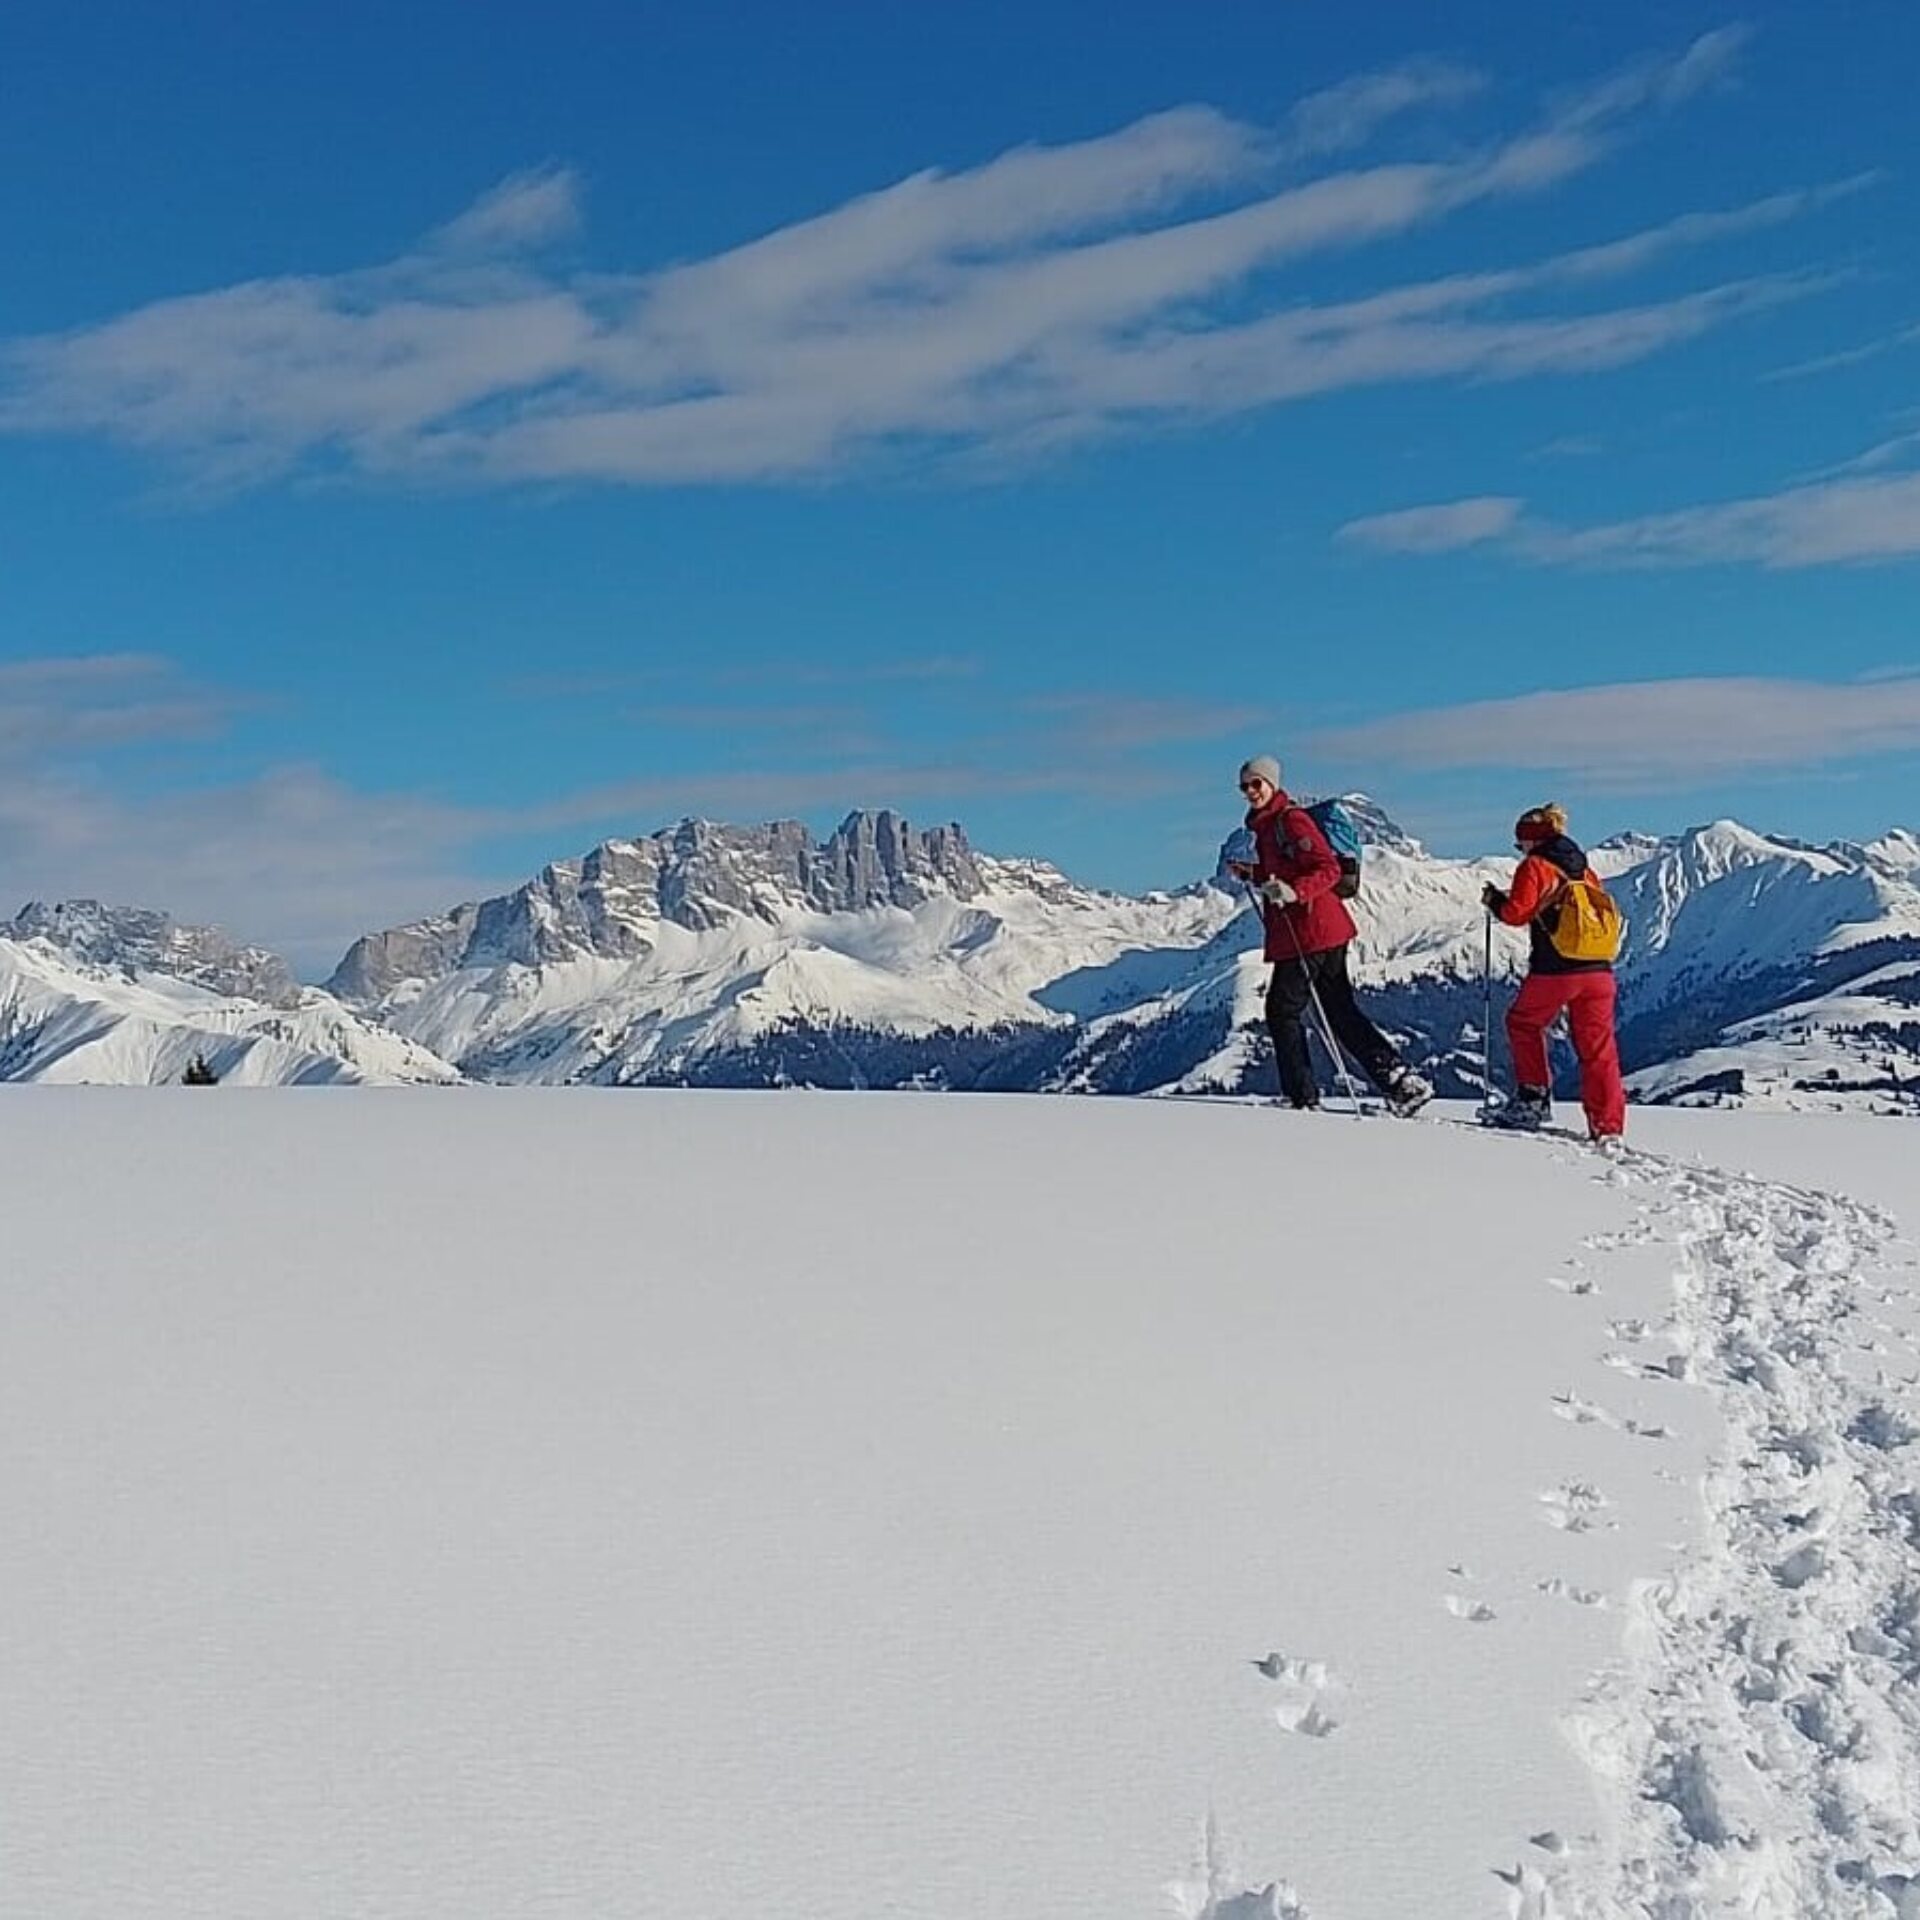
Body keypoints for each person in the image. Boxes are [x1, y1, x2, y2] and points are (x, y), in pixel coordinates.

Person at [1227, 756, 1432, 1116]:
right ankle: (1401, 1082)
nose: (1250, 792)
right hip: (1318, 931)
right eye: (1244, 786)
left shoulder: (1291, 821)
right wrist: (1256, 874)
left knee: (1281, 1010)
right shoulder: (1269, 828)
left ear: (1272, 784)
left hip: (1310, 931)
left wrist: (1293, 892)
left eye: (1256, 784)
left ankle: (1301, 1096)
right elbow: (1286, 873)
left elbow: (1328, 868)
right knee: (1339, 1011)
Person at [1481, 803, 1626, 1140]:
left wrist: (1495, 902)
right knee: (1598, 1048)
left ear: (1531, 841)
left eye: (1520, 844)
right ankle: (1608, 1126)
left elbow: (1517, 913)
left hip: (1556, 969)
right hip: (1599, 971)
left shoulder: (1535, 866)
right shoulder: (1585, 870)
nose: (1520, 850)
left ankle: (1533, 1100)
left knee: (1524, 1022)